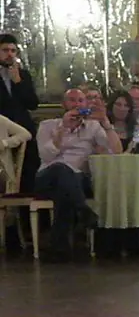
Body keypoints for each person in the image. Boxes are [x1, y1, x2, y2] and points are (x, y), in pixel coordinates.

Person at [35, 89, 123, 255]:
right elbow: (46, 156)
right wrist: (63, 129)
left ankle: (59, 247)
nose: (77, 104)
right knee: (61, 168)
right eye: (72, 100)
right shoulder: (47, 126)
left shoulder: (93, 127)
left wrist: (105, 122)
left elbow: (116, 151)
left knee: (65, 189)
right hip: (48, 176)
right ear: (64, 104)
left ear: (86, 105)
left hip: (78, 179)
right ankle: (83, 210)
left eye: (81, 101)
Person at [0, 34, 40, 192]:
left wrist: (18, 83)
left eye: (13, 50)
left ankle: (28, 215)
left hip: (23, 130)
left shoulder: (23, 75)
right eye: (5, 50)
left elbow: (32, 104)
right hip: (2, 130)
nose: (10, 54)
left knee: (29, 177)